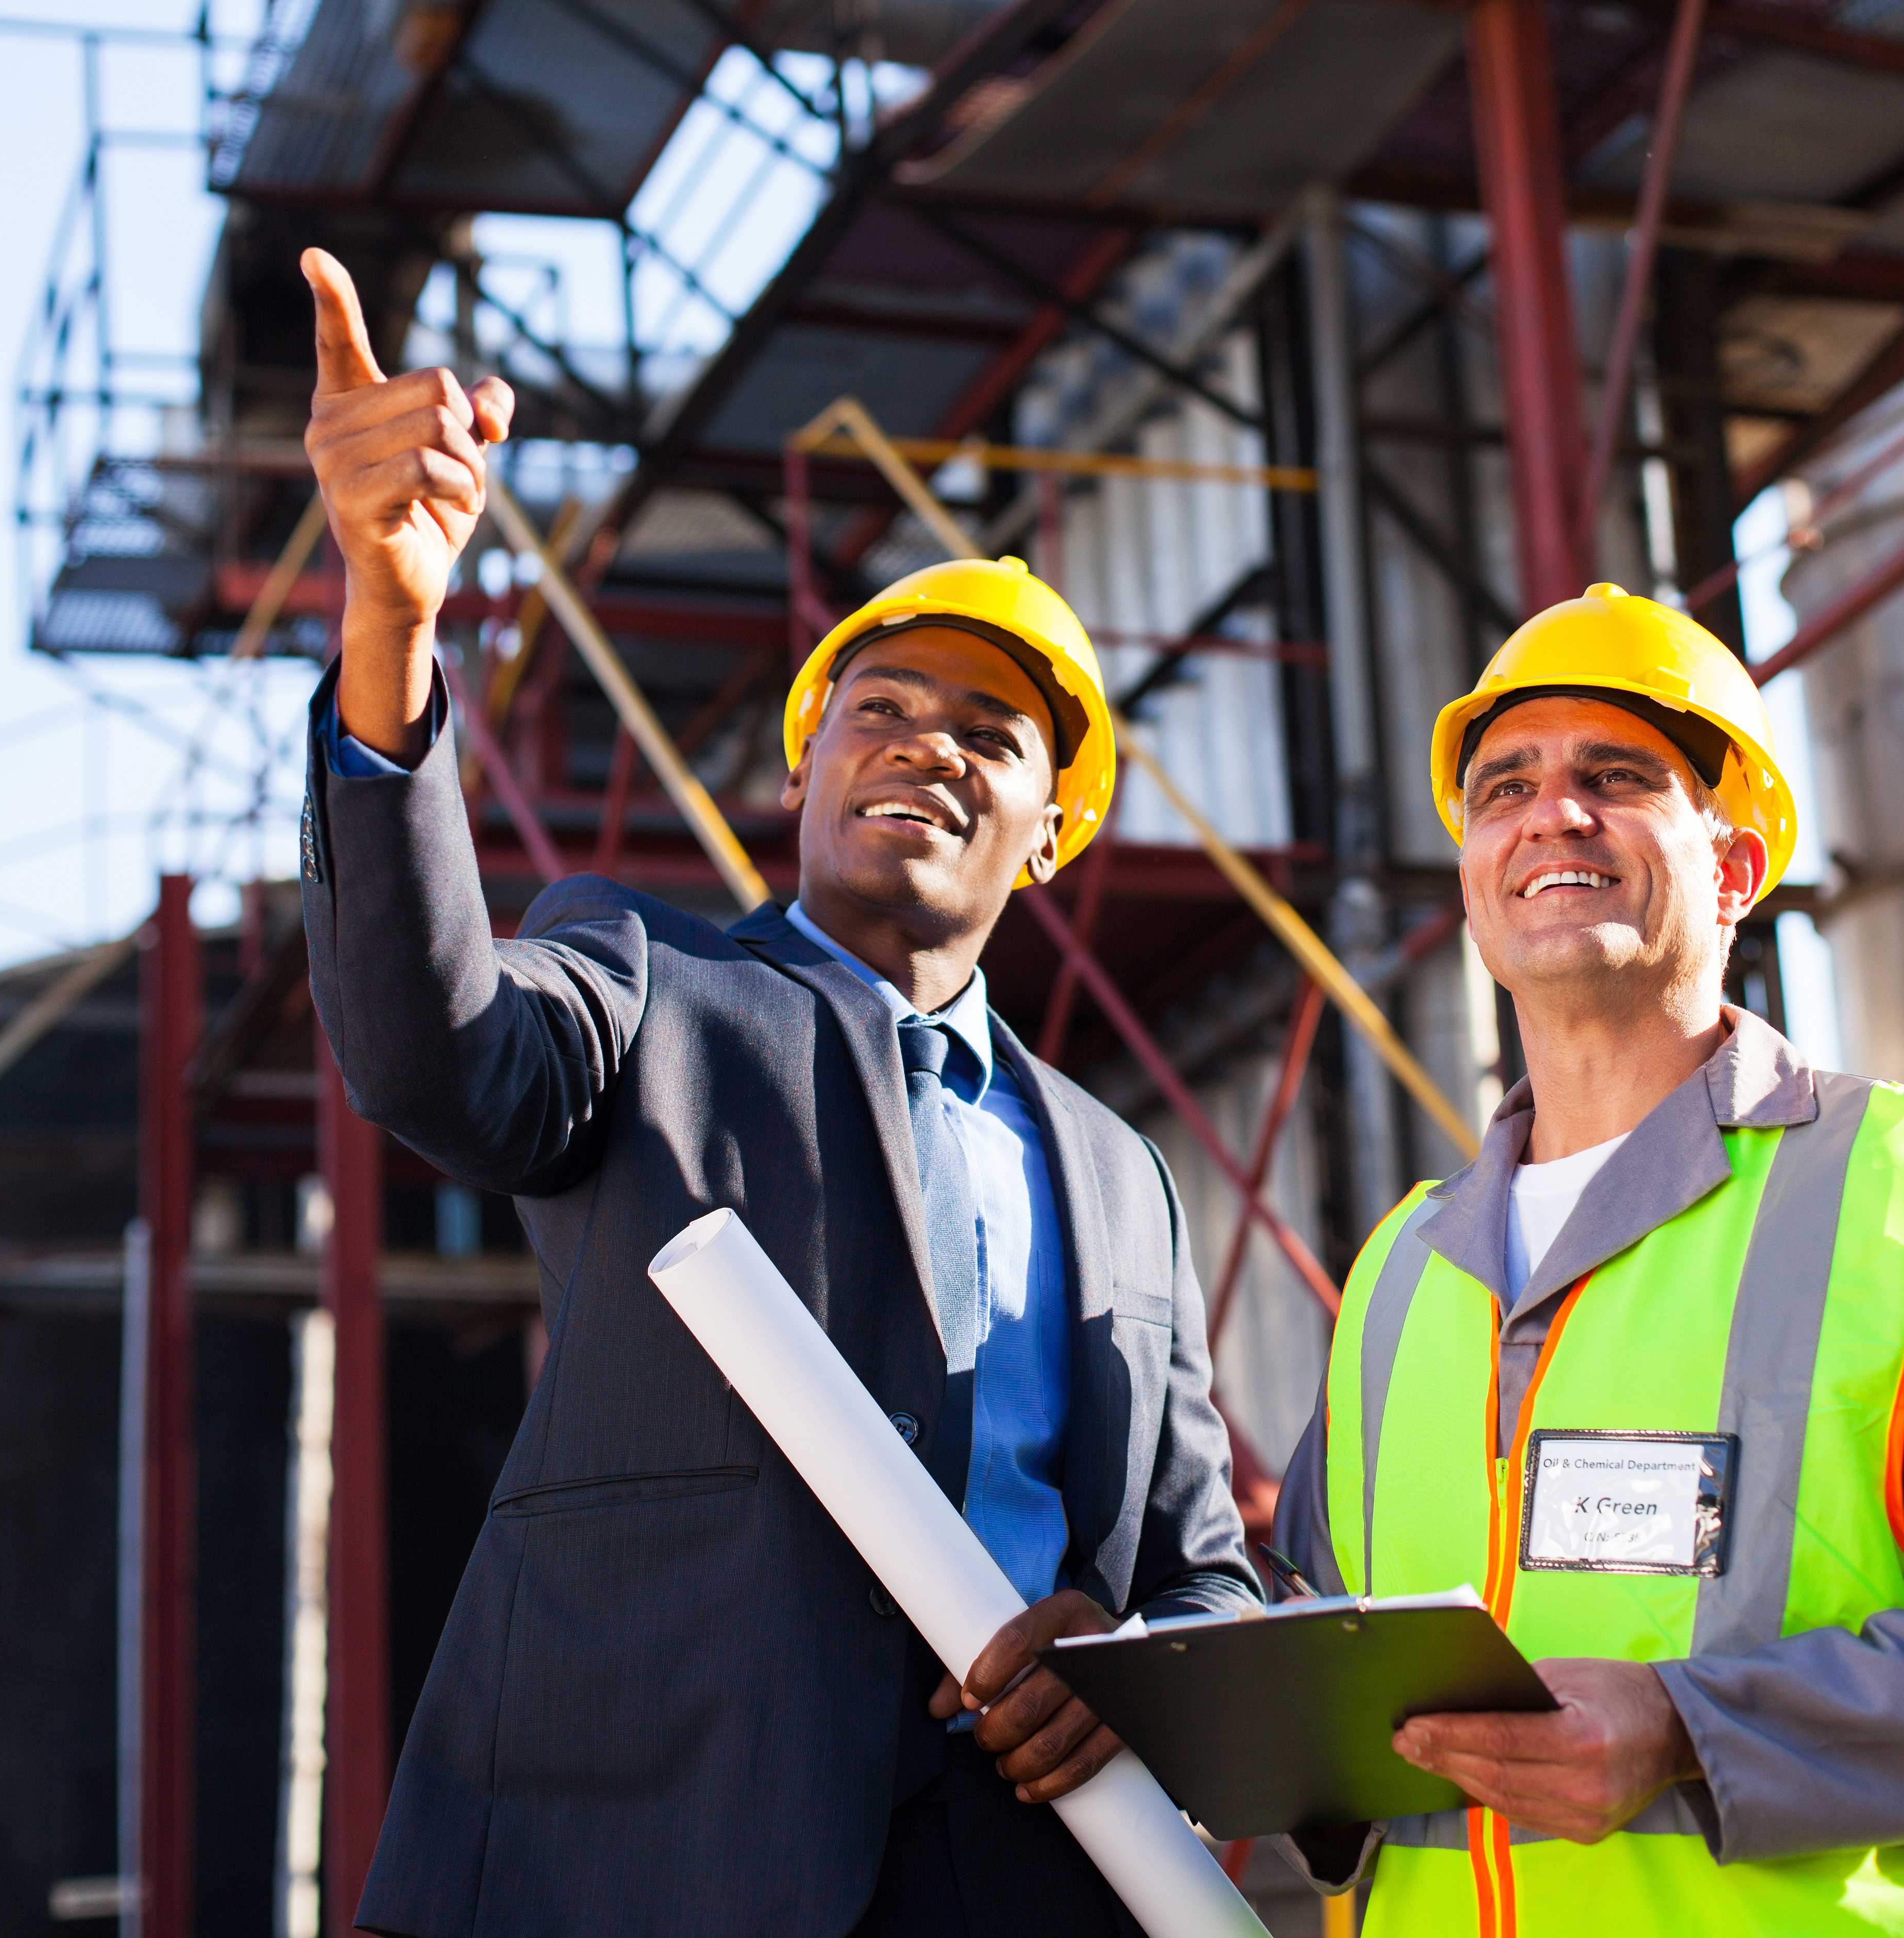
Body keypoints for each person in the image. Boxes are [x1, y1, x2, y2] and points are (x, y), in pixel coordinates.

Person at [291, 246, 1256, 1937]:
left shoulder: (1120, 1176)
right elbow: (426, 1050)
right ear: (803, 766)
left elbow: (1194, 1566)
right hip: (655, 1858)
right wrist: (391, 618)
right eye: (880, 707)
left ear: (1050, 836)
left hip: (1026, 1875)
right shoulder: (651, 989)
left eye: (992, 734)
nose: (929, 744)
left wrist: (1135, 1666)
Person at [1270, 584, 1904, 1934]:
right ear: (1475, 882)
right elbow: (1323, 1662)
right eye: (1505, 790)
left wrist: (1693, 1729)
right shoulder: (1403, 1271)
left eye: (1617, 777)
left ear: (1737, 863)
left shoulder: (1897, 1196)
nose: (1553, 814)